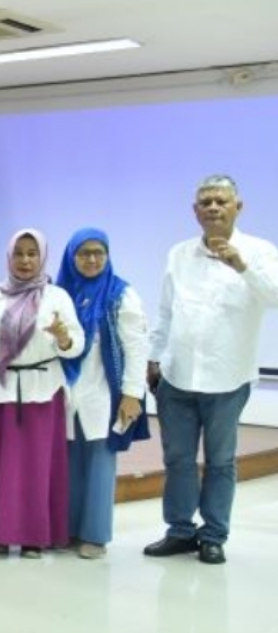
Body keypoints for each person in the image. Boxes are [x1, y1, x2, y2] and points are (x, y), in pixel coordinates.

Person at [145, 175, 278, 565]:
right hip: (178, 376)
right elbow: (167, 311)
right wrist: (154, 358)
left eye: (222, 201)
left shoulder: (259, 251)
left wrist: (243, 267)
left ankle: (214, 535)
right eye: (206, 202)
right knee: (178, 460)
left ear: (239, 207)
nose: (214, 207)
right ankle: (180, 531)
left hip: (228, 378)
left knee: (221, 462)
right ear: (195, 211)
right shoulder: (178, 254)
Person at [0, 229, 82, 558]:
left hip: (41, 391)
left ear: (42, 257)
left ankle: (35, 537)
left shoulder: (57, 297)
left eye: (31, 254)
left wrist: (63, 337)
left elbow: (75, 345)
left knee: (36, 468)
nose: (24, 260)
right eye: (18, 253)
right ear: (8, 256)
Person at [56, 228, 150, 560]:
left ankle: (94, 534)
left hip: (103, 391)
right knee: (66, 462)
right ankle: (65, 529)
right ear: (71, 257)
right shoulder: (59, 292)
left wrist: (131, 395)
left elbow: (136, 348)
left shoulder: (120, 295)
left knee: (98, 461)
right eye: (84, 253)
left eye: (99, 252)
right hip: (65, 392)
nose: (92, 259)